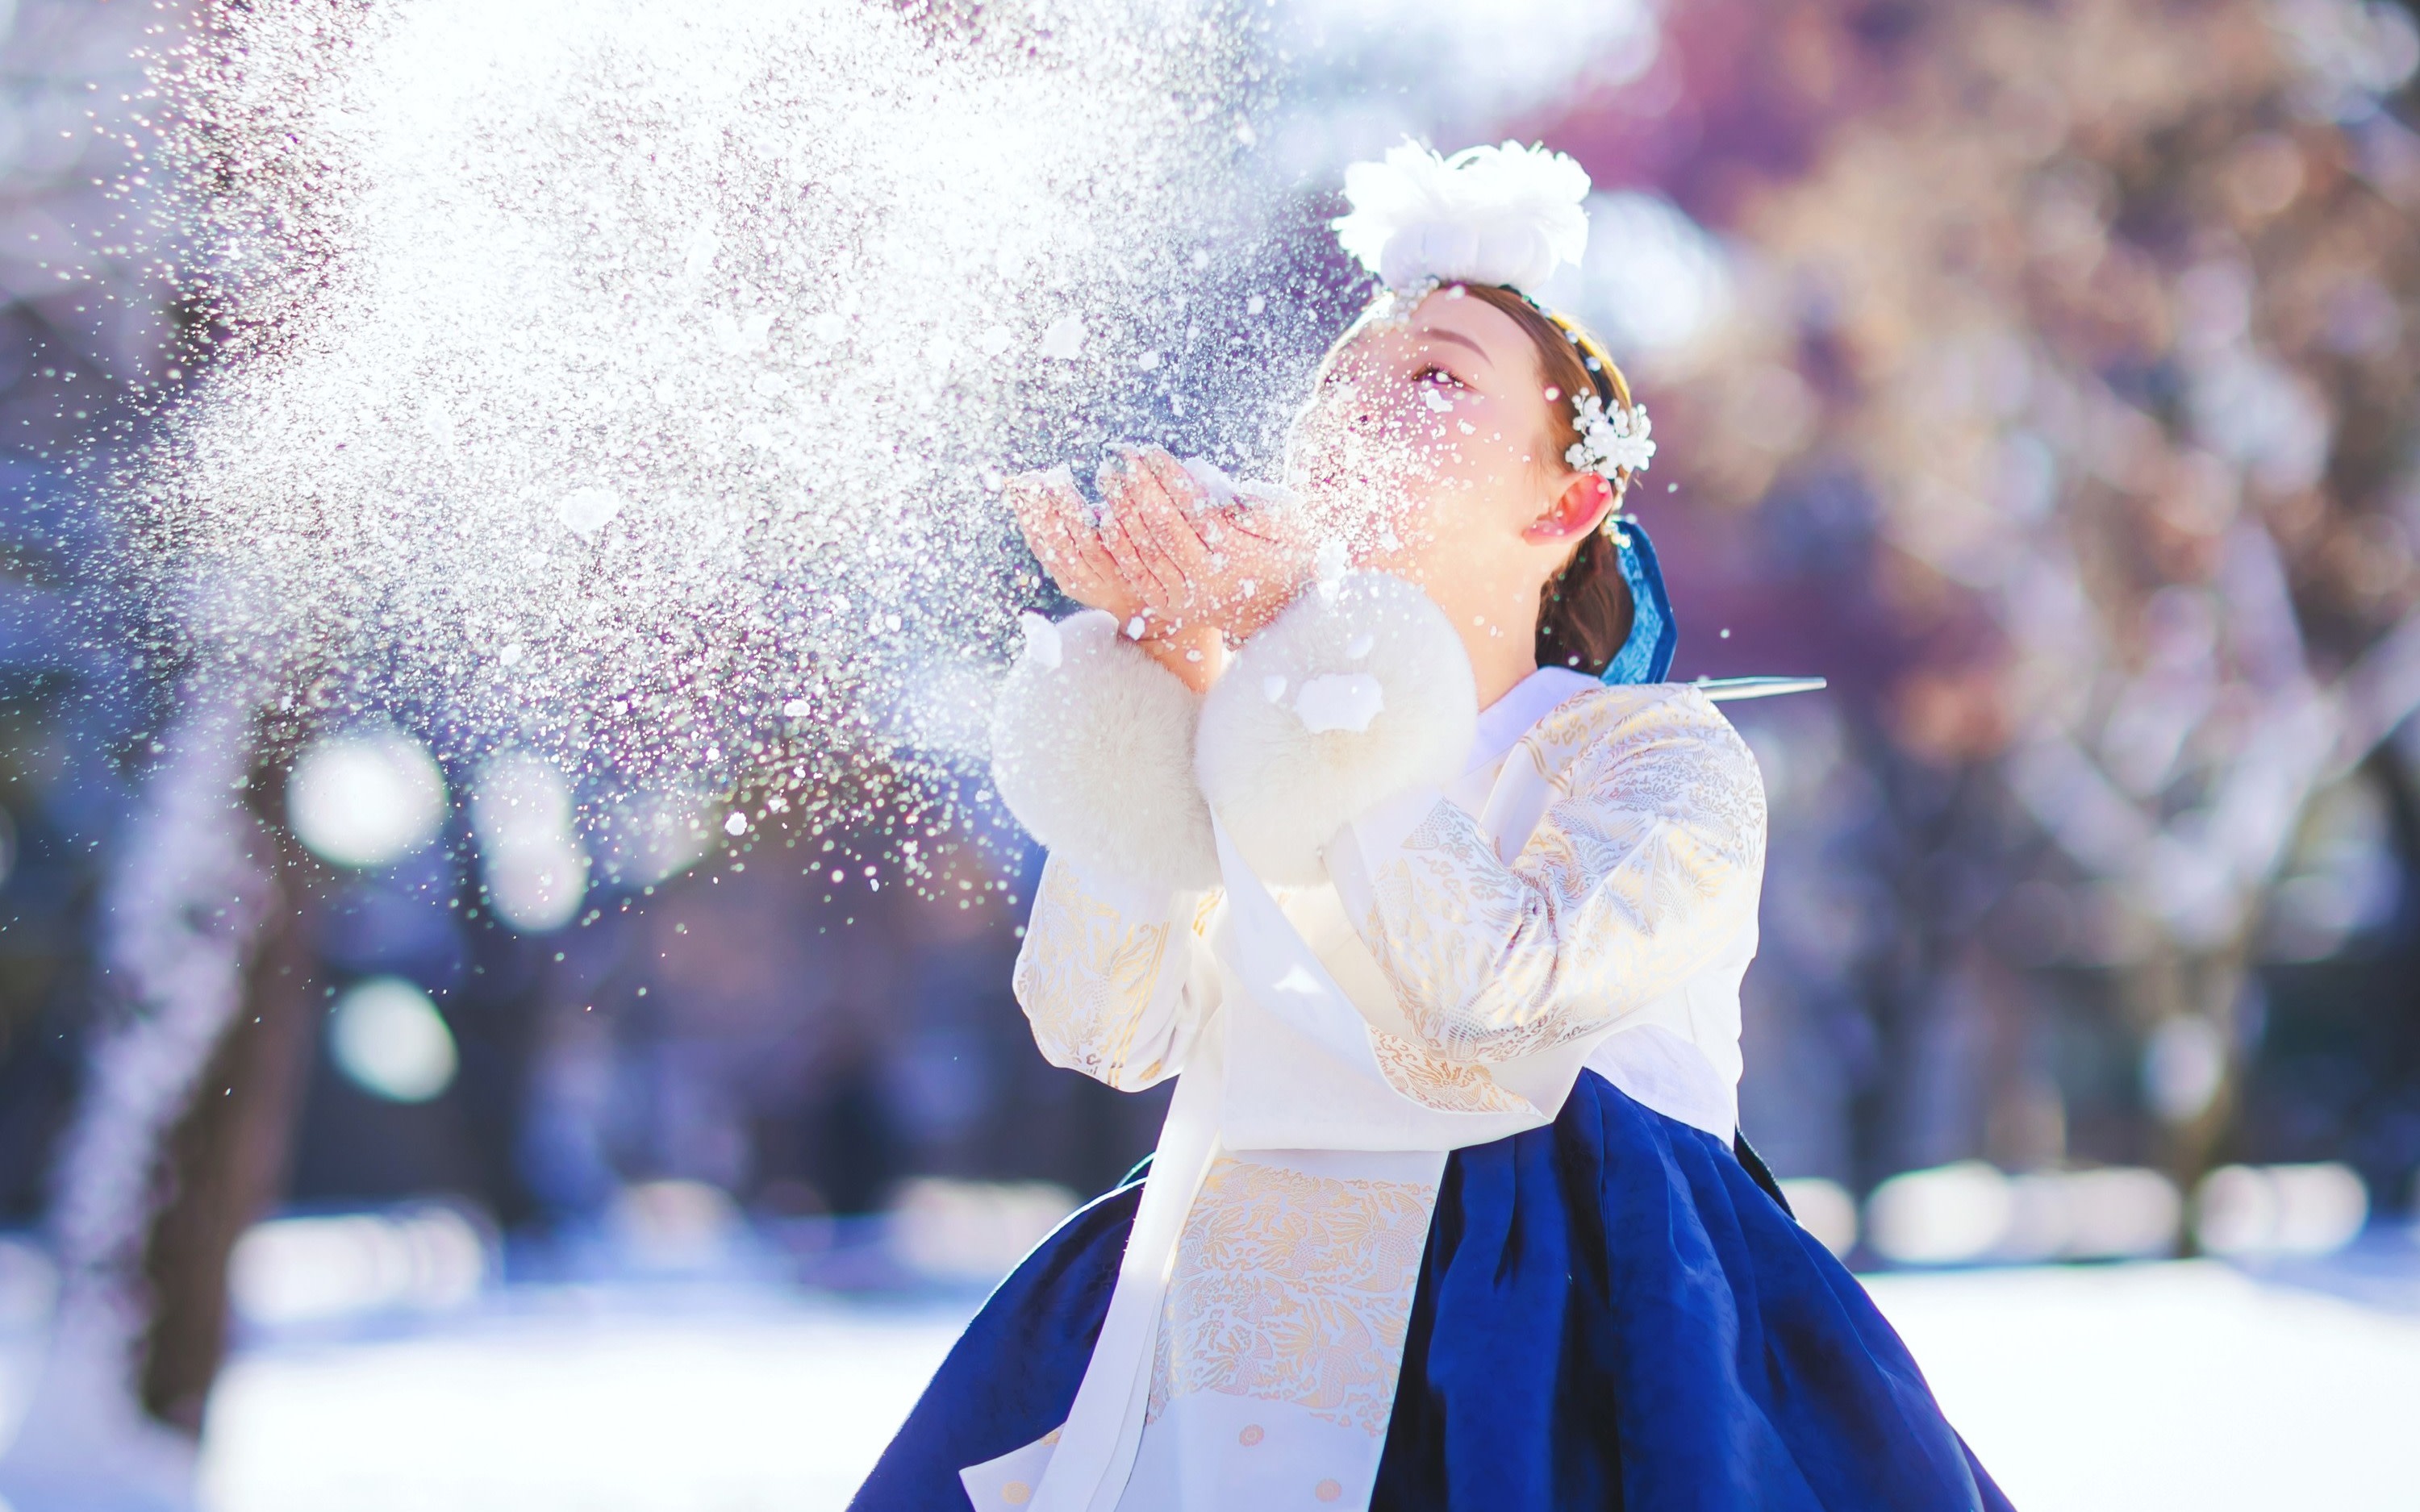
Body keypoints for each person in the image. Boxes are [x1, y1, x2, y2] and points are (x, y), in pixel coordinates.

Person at [850, 141, 2013, 1512]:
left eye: (1438, 378)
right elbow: (1097, 1025)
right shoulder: (1251, 728)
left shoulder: (1656, 754)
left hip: (1567, 1334)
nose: (1364, 404)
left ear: (1570, 502)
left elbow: (1499, 991)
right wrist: (1163, 689)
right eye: (1341, 379)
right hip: (1230, 1325)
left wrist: (1314, 671)